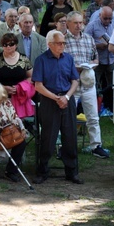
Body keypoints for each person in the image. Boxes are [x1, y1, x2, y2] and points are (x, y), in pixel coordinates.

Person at [32, 30, 82, 184]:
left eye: (64, 43)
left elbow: (75, 80)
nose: (62, 46)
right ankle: (43, 171)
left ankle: (72, 172)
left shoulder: (69, 59)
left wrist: (66, 97)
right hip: (49, 100)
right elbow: (38, 86)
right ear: (50, 44)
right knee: (48, 137)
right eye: (59, 43)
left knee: (70, 136)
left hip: (67, 99)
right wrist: (56, 98)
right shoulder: (41, 60)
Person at [64, 11, 108, 159]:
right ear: (68, 24)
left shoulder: (89, 39)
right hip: (71, 85)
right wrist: (74, 67)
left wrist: (90, 65)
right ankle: (65, 147)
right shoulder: (62, 40)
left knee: (93, 116)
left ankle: (96, 145)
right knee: (67, 117)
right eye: (75, 23)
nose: (78, 25)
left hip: (88, 83)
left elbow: (96, 59)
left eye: (80, 22)